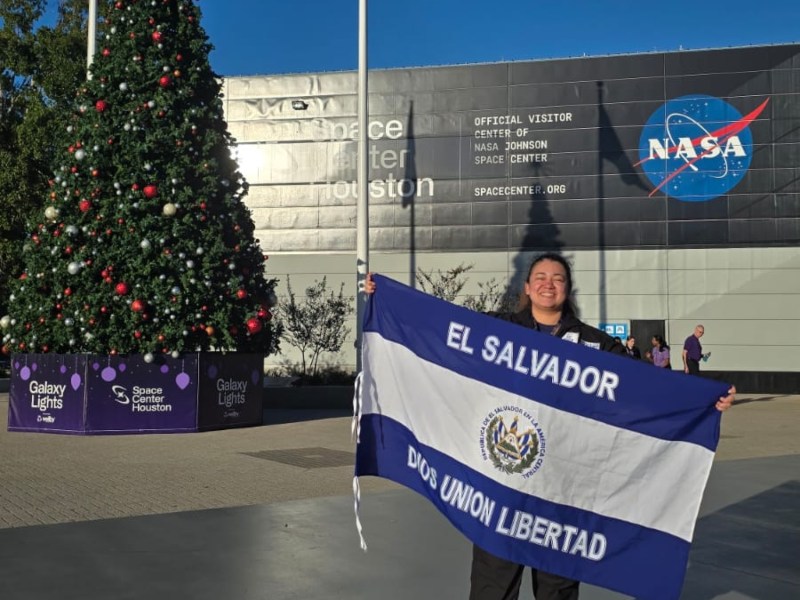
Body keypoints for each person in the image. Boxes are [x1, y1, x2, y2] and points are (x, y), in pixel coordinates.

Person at [364, 255, 735, 600]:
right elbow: (440, 332)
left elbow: (644, 388)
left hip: (562, 496)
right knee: (493, 587)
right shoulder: (497, 330)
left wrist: (705, 397)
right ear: (526, 288)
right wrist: (385, 297)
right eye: (540, 277)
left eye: (558, 278)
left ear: (567, 289)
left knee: (557, 591)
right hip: (501, 493)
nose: (548, 284)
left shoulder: (596, 345)